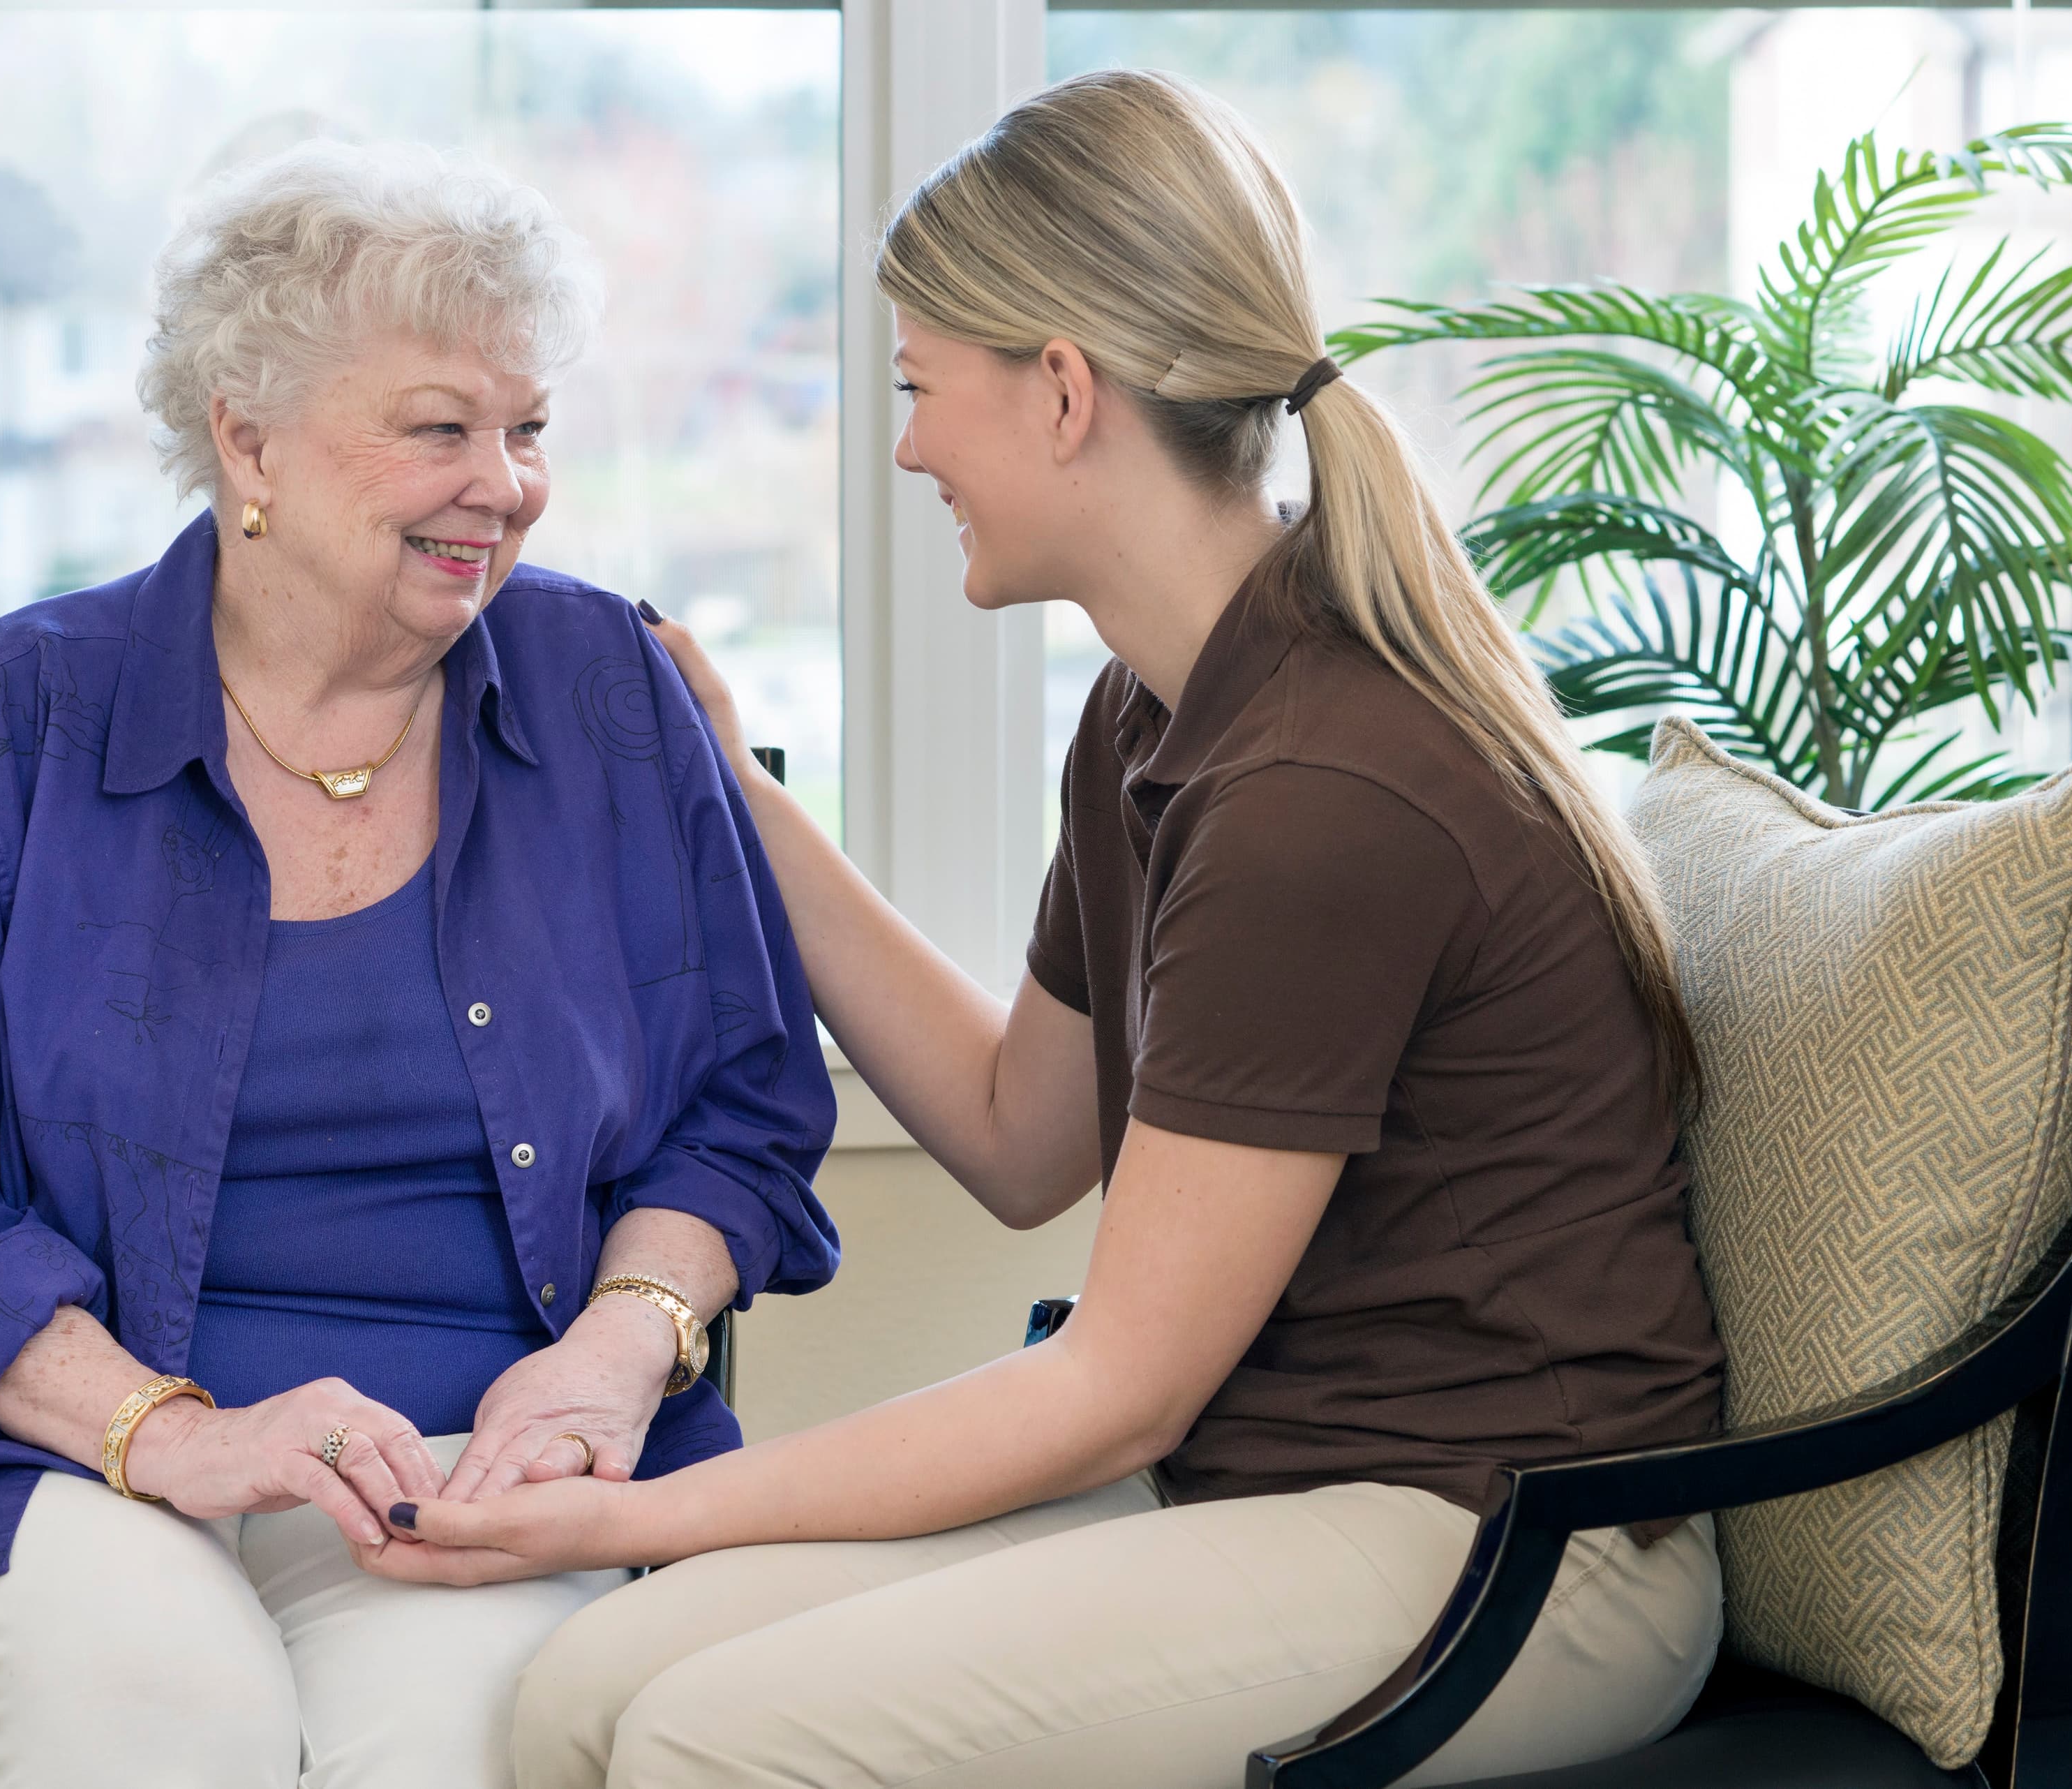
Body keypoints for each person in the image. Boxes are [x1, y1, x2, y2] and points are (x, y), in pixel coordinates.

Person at [357, 70, 1728, 1789]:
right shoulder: (1154, 712)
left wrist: (636, 1510)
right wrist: (737, 801)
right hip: (1268, 1480)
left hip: (1514, 1547)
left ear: (1065, 391)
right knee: (580, 1690)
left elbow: (1114, 1389)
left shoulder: (1321, 791)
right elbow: (1022, 1135)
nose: (910, 446)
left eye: (922, 387)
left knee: (709, 1739)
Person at [0, 141, 838, 1789]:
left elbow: (740, 1113)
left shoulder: (607, 688)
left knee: (457, 1754)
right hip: (49, 1463)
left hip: (477, 1474)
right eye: (440, 429)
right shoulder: (20, 720)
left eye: (528, 429)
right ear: (245, 437)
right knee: (180, 1723)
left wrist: (614, 1355)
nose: (505, 485)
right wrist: (177, 1434)